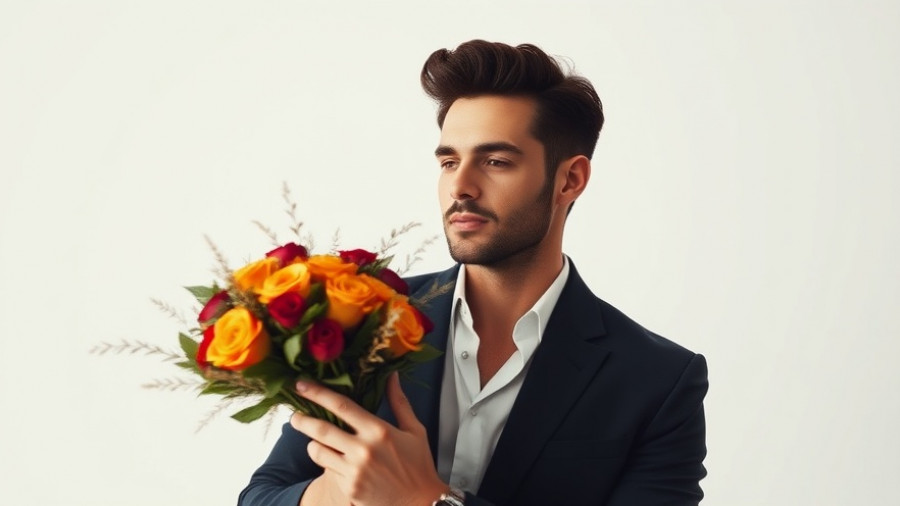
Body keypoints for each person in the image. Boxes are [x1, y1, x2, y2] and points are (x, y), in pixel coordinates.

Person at [238, 39, 708, 506]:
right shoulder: (360, 317)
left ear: (570, 180)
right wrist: (337, 491)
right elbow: (261, 496)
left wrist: (429, 500)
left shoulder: (657, 381)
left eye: (496, 162)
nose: (460, 186)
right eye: (449, 162)